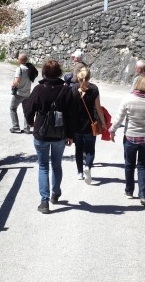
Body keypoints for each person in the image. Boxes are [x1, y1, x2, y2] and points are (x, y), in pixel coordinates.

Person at [23, 60, 76, 214]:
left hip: (41, 132)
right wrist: (71, 135)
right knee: (57, 165)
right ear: (59, 72)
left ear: (44, 72)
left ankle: (44, 202)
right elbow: (71, 115)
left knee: (43, 166)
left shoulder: (39, 88)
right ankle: (56, 192)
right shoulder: (66, 90)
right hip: (60, 133)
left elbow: (28, 108)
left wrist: (30, 121)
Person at [109, 75, 145, 207]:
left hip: (130, 136)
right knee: (143, 166)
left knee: (129, 164)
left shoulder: (128, 99)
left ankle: (129, 191)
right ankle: (143, 194)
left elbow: (119, 118)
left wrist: (112, 130)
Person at [71, 67, 107, 184]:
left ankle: (80, 172)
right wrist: (104, 123)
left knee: (78, 149)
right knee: (90, 150)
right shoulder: (94, 89)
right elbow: (98, 108)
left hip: (76, 125)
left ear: (78, 77)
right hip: (90, 125)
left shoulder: (73, 89)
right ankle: (88, 167)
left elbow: (70, 108)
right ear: (89, 77)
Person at [9, 53, 33, 134]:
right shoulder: (29, 68)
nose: (17, 59)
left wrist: (13, 85)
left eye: (18, 58)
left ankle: (16, 127)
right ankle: (27, 128)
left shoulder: (19, 69)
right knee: (26, 111)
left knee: (12, 108)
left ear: (20, 60)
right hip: (27, 93)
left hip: (19, 93)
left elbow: (17, 81)